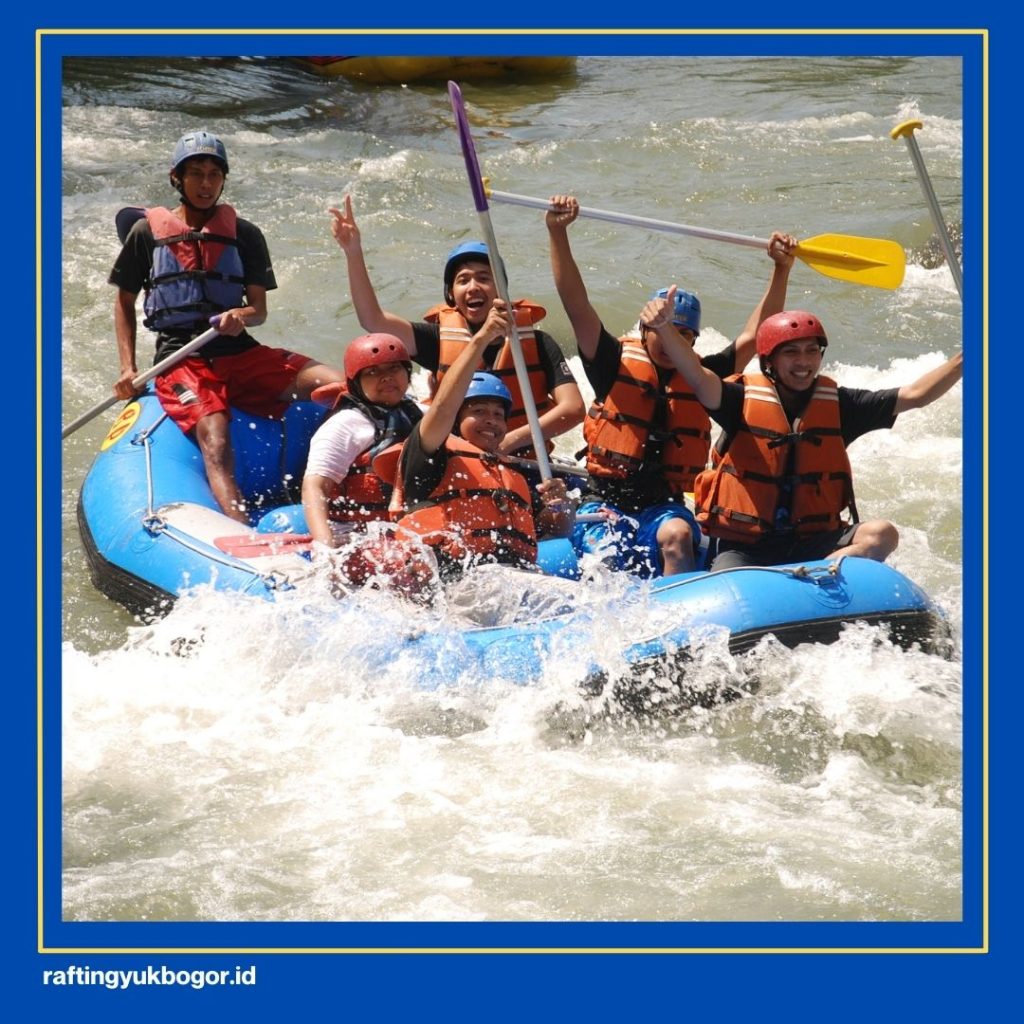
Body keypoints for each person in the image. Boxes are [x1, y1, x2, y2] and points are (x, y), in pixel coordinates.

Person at [545, 193, 797, 576]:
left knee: (679, 535)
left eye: (682, 334)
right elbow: (575, 303)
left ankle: (675, 623)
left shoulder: (701, 376)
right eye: (662, 329)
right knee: (606, 558)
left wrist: (782, 269)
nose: (669, 341)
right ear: (644, 328)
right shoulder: (611, 361)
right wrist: (558, 233)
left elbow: (753, 335)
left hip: (663, 505)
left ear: (692, 342)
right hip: (603, 502)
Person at [109, 130, 344, 524]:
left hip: (237, 349)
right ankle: (241, 529)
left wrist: (241, 317)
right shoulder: (146, 234)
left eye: (214, 174)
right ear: (176, 178)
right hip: (180, 357)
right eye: (196, 173)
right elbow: (123, 301)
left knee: (334, 385)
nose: (206, 184)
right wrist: (127, 368)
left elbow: (259, 309)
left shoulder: (246, 235)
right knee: (215, 440)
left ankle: (347, 489)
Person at [645, 301, 964, 570]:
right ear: (769, 361)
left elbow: (916, 394)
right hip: (746, 546)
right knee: (727, 580)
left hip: (814, 542)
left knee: (882, 534)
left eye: (812, 351)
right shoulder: (738, 398)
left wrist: (965, 357)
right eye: (792, 353)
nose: (804, 362)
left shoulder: (840, 404)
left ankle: (817, 576)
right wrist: (665, 329)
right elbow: (698, 377)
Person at [328, 195, 586, 460]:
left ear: (502, 290)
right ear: (451, 294)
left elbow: (574, 408)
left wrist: (508, 442)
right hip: (455, 460)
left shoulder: (539, 343)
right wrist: (353, 252)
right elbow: (373, 320)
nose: (473, 287)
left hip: (520, 458)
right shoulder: (437, 339)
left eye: (484, 278)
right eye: (463, 280)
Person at [388, 297, 576, 582]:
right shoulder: (429, 454)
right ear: (455, 419)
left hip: (512, 579)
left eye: (499, 414)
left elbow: (556, 531)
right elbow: (443, 407)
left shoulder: (510, 474)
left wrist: (561, 506)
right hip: (455, 583)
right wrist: (482, 338)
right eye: (478, 411)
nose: (491, 420)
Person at [301, 333, 424, 550]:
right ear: (356, 383)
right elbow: (315, 487)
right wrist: (325, 548)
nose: (386, 377)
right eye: (373, 372)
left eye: (394, 368)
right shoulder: (345, 424)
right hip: (353, 533)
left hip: (405, 529)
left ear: (407, 373)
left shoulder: (419, 414)